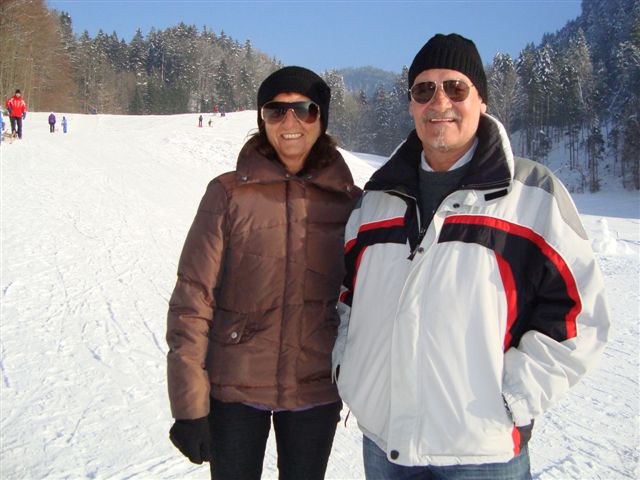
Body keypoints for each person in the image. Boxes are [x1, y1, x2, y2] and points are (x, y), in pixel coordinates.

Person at [332, 33, 611, 480]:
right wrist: (349, 367)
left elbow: (580, 313)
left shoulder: (532, 195)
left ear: (481, 100)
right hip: (385, 445)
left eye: (455, 87)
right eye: (424, 89)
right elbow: (349, 295)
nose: (439, 101)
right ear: (411, 105)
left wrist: (514, 397)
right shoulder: (376, 200)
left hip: (482, 451)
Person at [167, 66, 361, 480]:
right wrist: (188, 407)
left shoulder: (351, 203)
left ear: (322, 119)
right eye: (276, 110)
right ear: (262, 119)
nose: (290, 122)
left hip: (315, 389)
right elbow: (192, 299)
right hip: (235, 389)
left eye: (304, 109)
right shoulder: (227, 194)